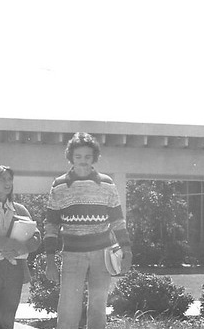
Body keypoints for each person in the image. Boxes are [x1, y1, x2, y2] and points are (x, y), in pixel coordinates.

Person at [43, 132, 132, 329]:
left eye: (87, 157)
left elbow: (118, 220)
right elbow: (51, 225)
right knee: (68, 308)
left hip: (103, 254)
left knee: (98, 307)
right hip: (72, 254)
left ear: (94, 158)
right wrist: (50, 259)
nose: (83, 161)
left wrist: (127, 250)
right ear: (71, 158)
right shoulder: (59, 185)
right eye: (78, 157)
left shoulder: (107, 183)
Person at [0, 165, 42, 329]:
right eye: (2, 179)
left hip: (14, 271)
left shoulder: (20, 209)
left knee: (7, 318)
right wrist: (9, 245)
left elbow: (37, 236)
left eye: (10, 179)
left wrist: (20, 248)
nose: (7, 183)